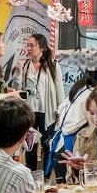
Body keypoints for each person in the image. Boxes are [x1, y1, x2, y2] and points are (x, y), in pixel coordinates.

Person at [13, 33, 66, 172]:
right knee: (30, 144)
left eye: (32, 45)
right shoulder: (24, 65)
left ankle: (46, 174)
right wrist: (18, 73)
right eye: (28, 45)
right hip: (29, 110)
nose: (29, 48)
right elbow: (17, 89)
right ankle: (31, 173)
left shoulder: (52, 65)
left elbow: (59, 89)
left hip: (47, 111)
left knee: (47, 143)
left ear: (41, 47)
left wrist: (60, 110)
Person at [46, 70, 97, 179]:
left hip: (59, 145)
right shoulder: (93, 94)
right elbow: (95, 124)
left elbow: (59, 110)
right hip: (72, 149)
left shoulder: (79, 88)